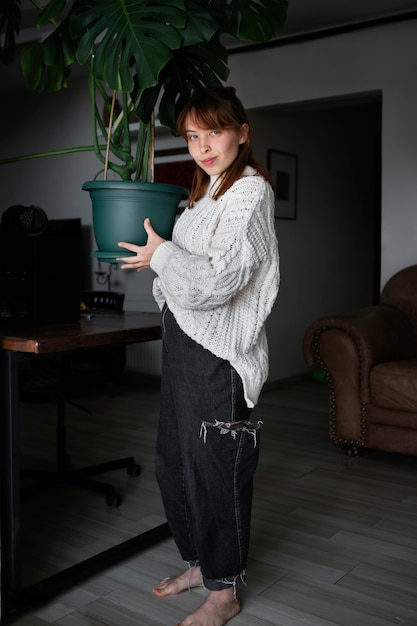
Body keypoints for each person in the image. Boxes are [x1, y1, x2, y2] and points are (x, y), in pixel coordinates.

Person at [117, 86, 280, 626]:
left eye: (214, 131)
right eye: (192, 136)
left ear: (242, 132)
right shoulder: (207, 193)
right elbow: (184, 276)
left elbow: (218, 281)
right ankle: (198, 562)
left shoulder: (249, 193)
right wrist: (158, 259)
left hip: (220, 356)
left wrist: (163, 254)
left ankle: (225, 588)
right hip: (184, 343)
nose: (204, 146)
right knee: (175, 463)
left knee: (218, 470)